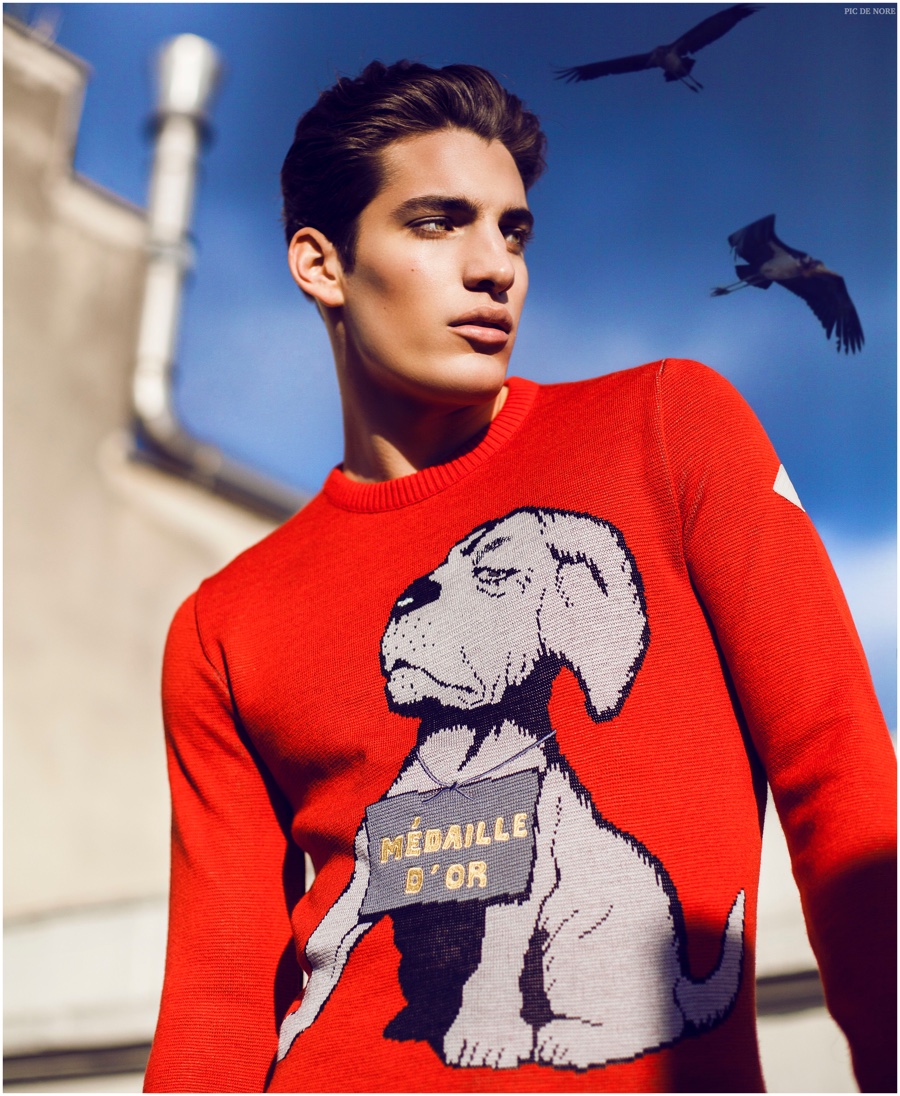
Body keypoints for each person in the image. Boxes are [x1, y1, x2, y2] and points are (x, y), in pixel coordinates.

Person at [143, 60, 896, 1094]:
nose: (494, 266)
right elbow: (217, 1000)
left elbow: (842, 781)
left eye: (513, 231)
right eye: (437, 223)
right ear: (322, 264)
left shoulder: (669, 429)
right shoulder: (225, 623)